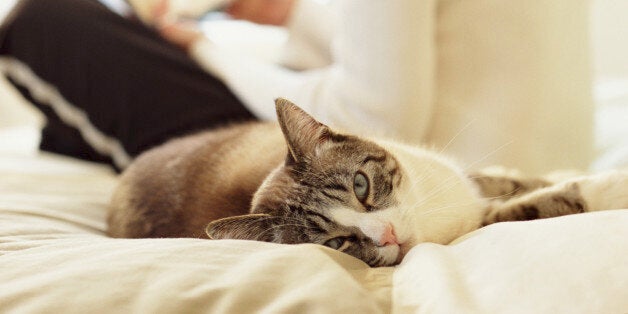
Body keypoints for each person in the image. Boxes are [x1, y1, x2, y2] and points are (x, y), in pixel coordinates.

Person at [0, 0, 593, 174]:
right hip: (539, 160)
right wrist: (289, 13)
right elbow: (431, 60)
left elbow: (372, 120)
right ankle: (71, 136)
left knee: (44, 23)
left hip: (415, 175)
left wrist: (206, 51)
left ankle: (74, 137)